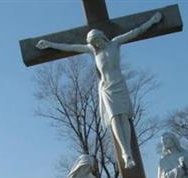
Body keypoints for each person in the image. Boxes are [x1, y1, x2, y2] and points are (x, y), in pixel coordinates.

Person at [36, 12, 162, 169]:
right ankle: (125, 153)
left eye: (97, 41)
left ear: (102, 37)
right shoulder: (93, 51)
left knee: (124, 117)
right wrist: (50, 44)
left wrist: (152, 21)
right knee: (114, 118)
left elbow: (135, 32)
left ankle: (129, 150)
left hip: (119, 84)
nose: (97, 44)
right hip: (107, 88)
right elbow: (70, 47)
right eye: (94, 43)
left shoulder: (115, 43)